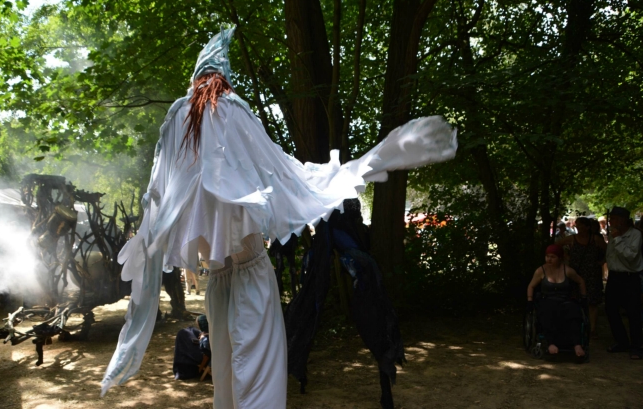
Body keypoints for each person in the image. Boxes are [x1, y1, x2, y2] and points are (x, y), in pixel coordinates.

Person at [100, 26, 458, 407]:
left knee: (228, 387)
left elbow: (157, 204)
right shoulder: (232, 112)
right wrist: (357, 168)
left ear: (196, 78)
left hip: (218, 282)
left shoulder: (177, 124)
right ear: (225, 80)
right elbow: (286, 174)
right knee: (259, 386)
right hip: (250, 274)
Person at [527, 244, 587, 357]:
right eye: (547, 256)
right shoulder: (541, 271)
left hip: (565, 300)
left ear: (560, 258)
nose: (549, 259)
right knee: (547, 312)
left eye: (553, 257)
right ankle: (551, 343)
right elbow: (531, 286)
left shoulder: (567, 271)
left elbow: (581, 281)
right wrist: (530, 300)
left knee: (574, 312)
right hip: (547, 300)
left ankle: (577, 344)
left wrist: (583, 297)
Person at [556, 217, 606, 336]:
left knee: (592, 302)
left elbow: (608, 251)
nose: (577, 227)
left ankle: (592, 329)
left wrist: (602, 261)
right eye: (577, 225)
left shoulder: (595, 239)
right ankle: (577, 325)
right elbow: (557, 245)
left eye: (580, 225)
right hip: (576, 272)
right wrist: (566, 256)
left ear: (587, 227)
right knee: (575, 299)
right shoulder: (572, 239)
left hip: (592, 274)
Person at [604, 206, 643, 359]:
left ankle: (637, 346)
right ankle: (621, 341)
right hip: (614, 277)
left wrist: (618, 238)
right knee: (611, 309)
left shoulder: (635, 235)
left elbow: (630, 256)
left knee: (633, 312)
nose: (610, 221)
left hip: (630, 277)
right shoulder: (613, 234)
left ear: (622, 220)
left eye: (613, 218)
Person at [173, 314, 211, 380]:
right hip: (207, 355)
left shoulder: (206, 340)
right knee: (191, 329)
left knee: (182, 334)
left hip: (203, 358)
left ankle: (181, 368)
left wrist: (202, 339)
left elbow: (206, 352)